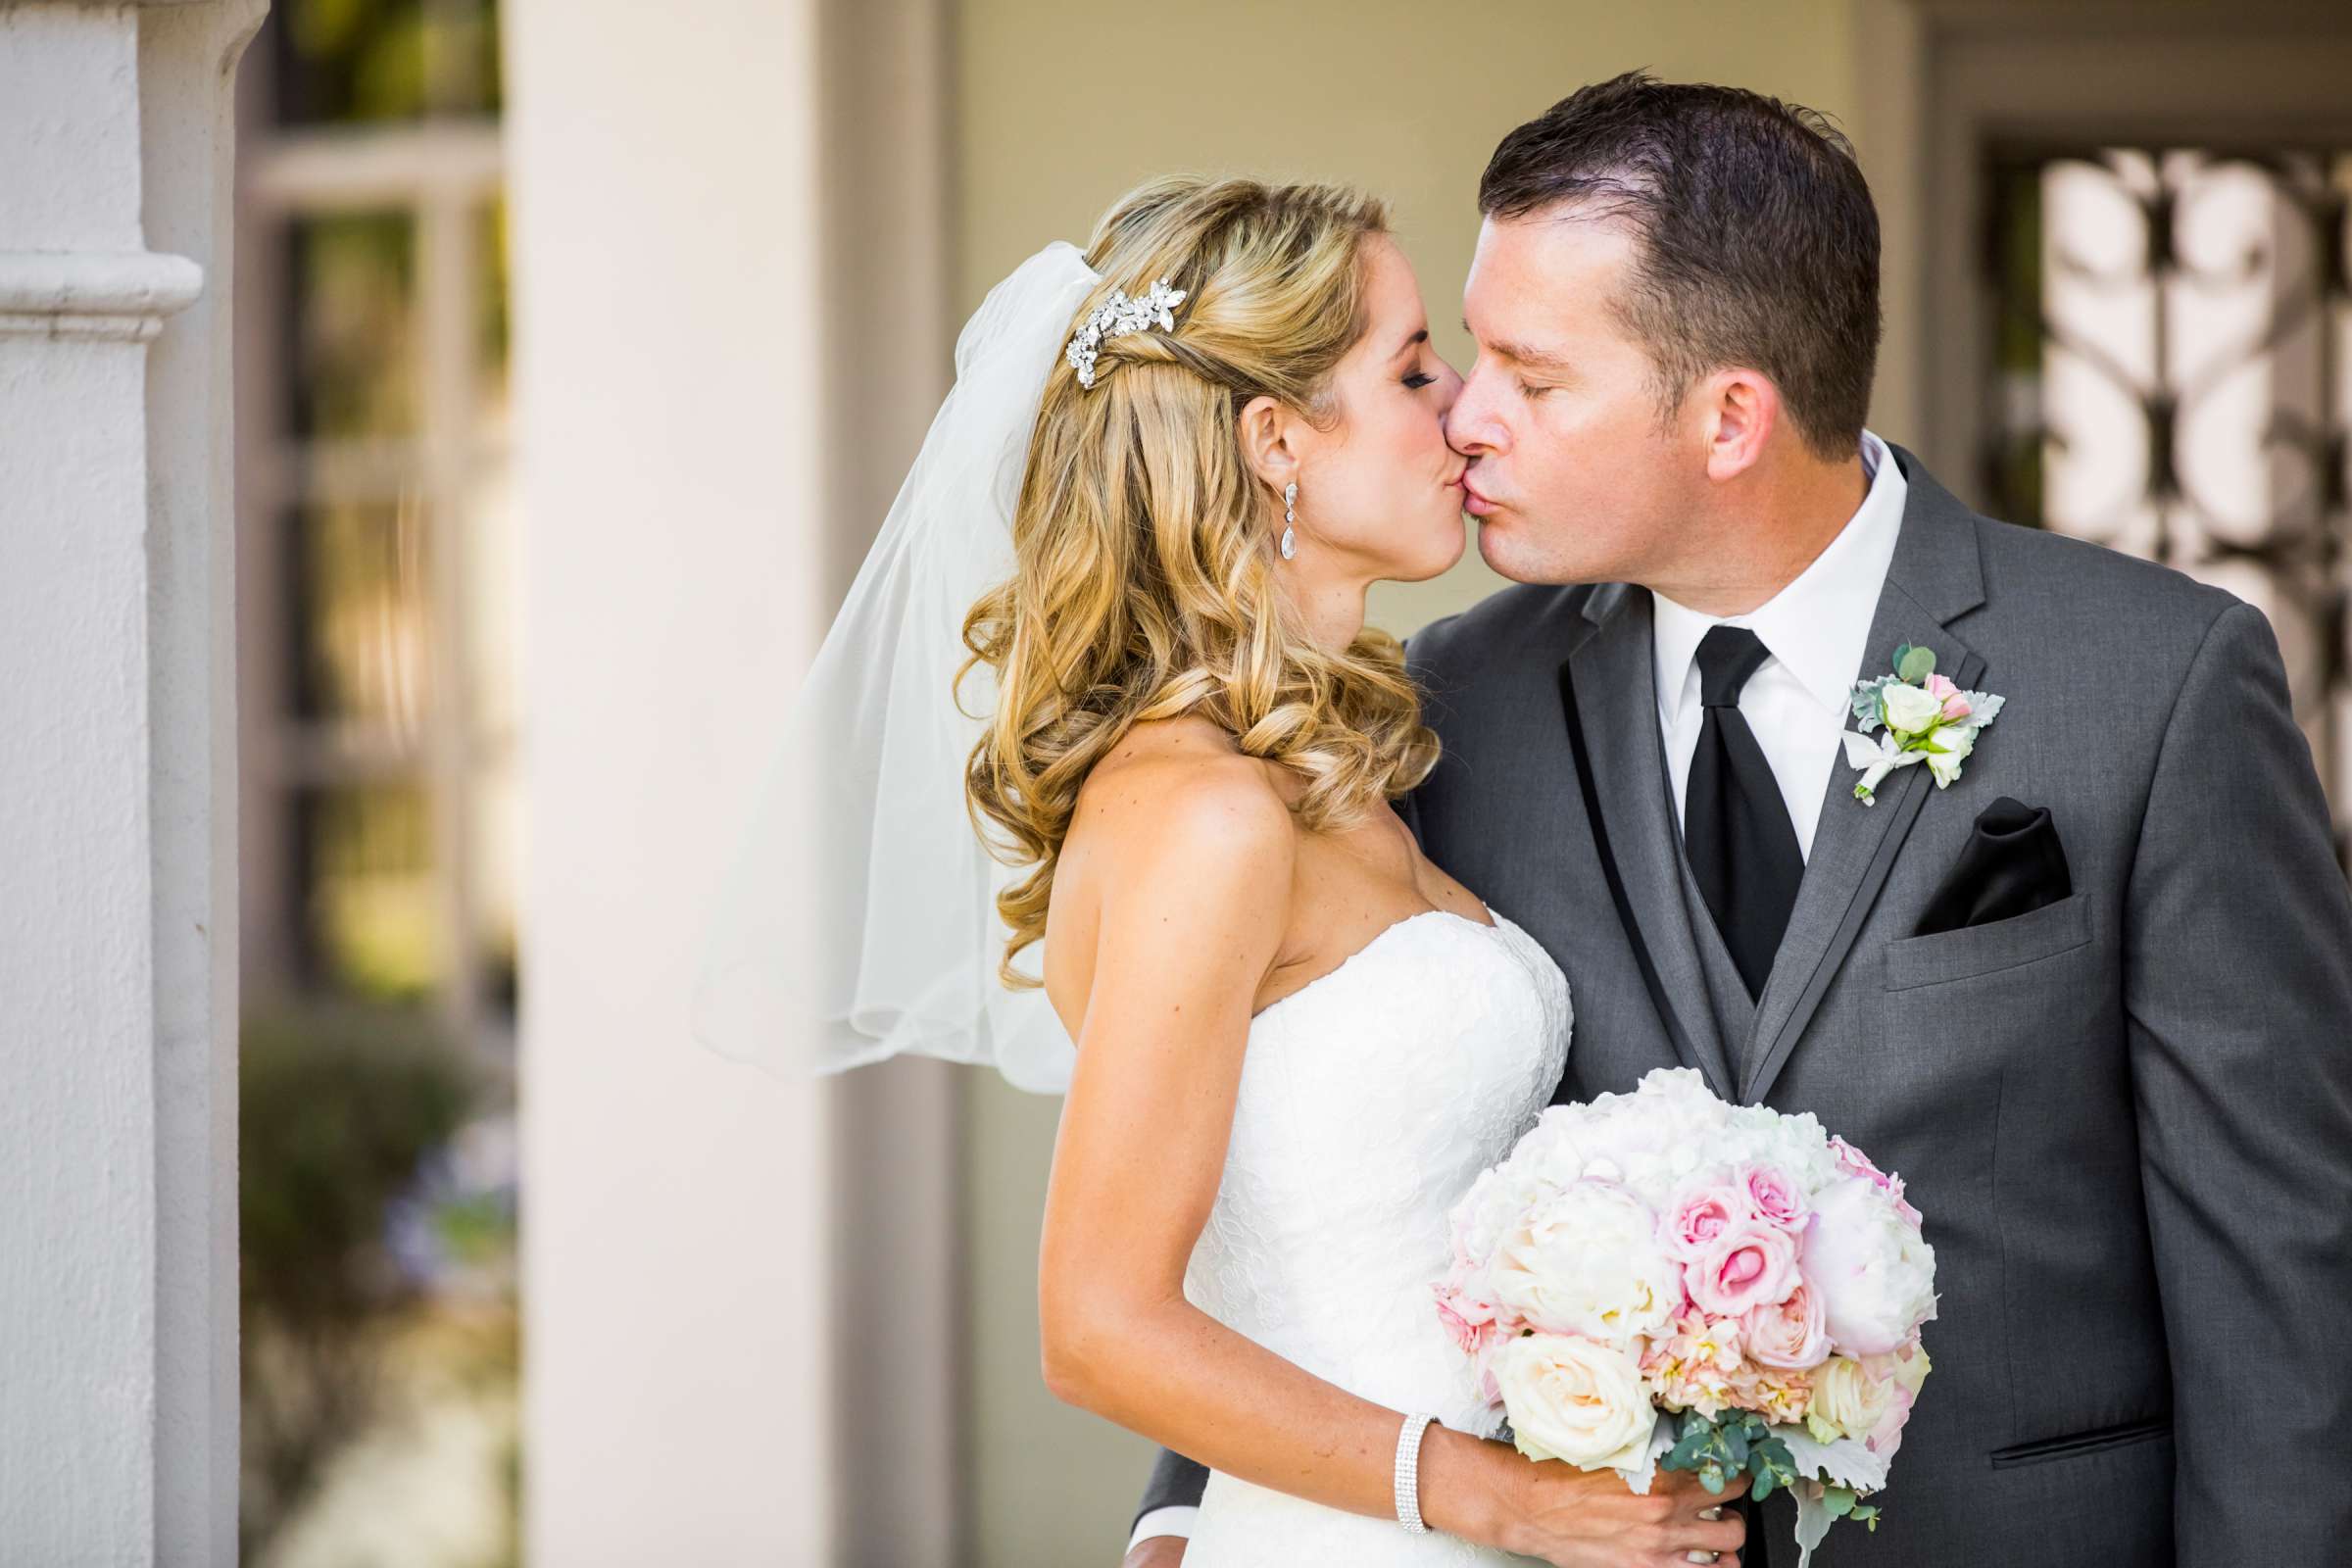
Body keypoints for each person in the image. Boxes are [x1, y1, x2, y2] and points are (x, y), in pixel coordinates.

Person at [1129, 72, 2352, 1568]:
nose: (1466, 418)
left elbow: (2280, 1256)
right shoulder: (1449, 704)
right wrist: (1195, 1510)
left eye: (1534, 373)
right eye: (1464, 355)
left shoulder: (2154, 681)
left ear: (1728, 418)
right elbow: (1308, 1118)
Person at [695, 172, 1749, 1566]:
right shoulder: (1206, 817)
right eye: (1415, 364)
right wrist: (1502, 1498)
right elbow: (1097, 1326)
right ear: (1275, 440)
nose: (1463, 411)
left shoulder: (1336, 776)